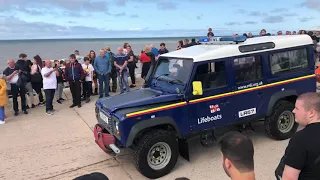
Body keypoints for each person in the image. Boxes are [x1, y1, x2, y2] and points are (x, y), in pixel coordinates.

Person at [275, 92, 320, 180]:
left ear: (311, 113)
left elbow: (289, 178)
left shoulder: (300, 139)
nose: (293, 111)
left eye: (297, 108)